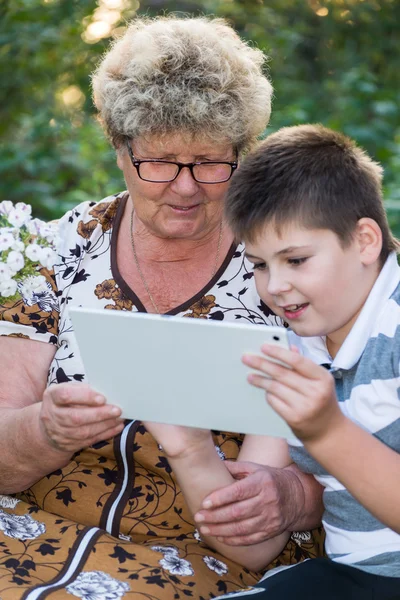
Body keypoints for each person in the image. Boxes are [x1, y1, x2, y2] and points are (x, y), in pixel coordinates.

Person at [0, 16, 323, 599]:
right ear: (121, 150)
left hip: (200, 553)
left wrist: (293, 496)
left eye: (209, 163)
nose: (185, 187)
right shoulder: (59, 249)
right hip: (29, 525)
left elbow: (363, 439)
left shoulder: (286, 263)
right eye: (161, 161)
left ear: (241, 154)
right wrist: (46, 430)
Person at [214, 123, 400, 598]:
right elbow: (252, 547)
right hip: (355, 575)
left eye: (295, 260)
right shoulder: (301, 345)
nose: (274, 286)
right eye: (259, 264)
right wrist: (184, 442)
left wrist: (327, 431)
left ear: (364, 241)